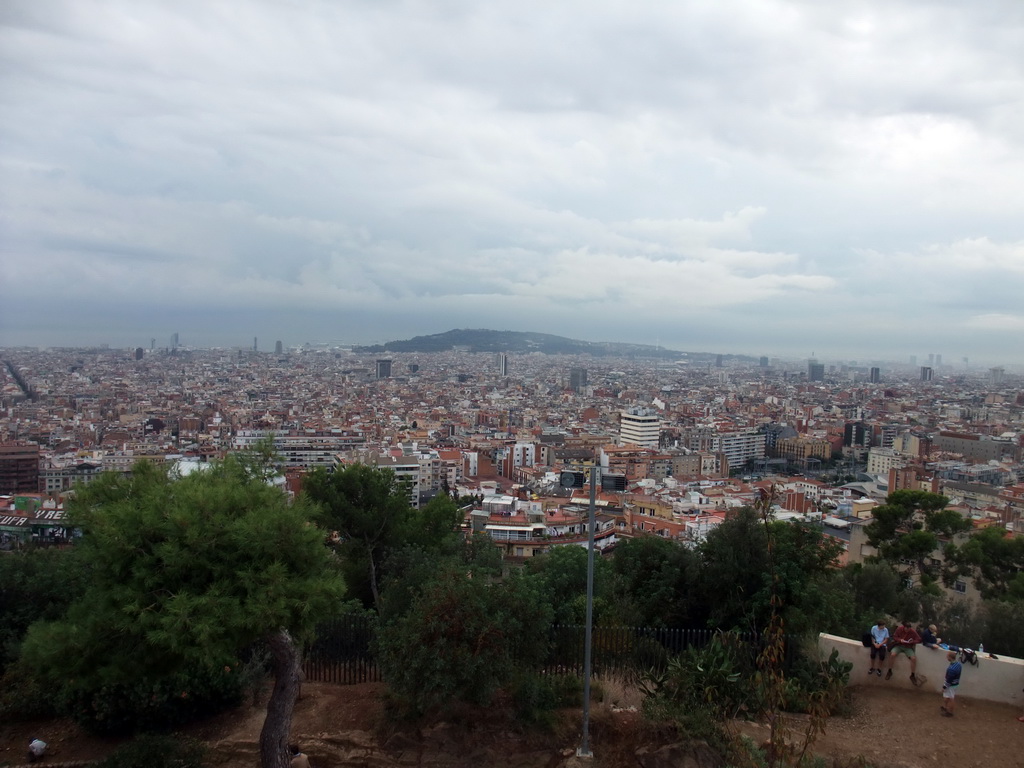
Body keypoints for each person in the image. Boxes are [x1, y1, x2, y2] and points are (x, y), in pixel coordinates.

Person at [886, 619, 922, 685]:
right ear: (904, 627)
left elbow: (919, 639)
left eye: (908, 629)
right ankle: (889, 671)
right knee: (892, 655)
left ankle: (912, 675)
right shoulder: (899, 629)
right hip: (899, 645)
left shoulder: (912, 631)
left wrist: (912, 642)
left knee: (913, 658)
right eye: (906, 629)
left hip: (908, 647)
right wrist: (900, 640)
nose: (907, 630)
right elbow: (894, 637)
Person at [941, 650, 962, 717]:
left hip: (951, 685)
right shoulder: (958, 664)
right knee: (948, 697)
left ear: (950, 657)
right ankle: (946, 708)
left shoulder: (951, 669)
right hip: (955, 683)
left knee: (950, 698)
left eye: (947, 656)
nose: (947, 657)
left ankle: (950, 712)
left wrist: (944, 687)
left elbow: (949, 680)